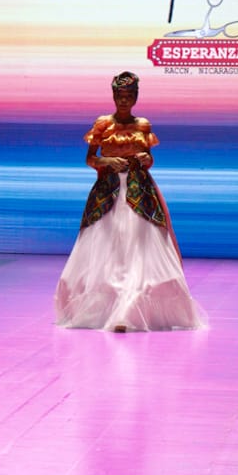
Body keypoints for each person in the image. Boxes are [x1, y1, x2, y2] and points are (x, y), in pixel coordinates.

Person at [54, 71, 205, 332]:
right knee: (106, 244)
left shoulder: (143, 125)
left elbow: (149, 159)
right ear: (114, 97)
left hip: (139, 191)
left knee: (140, 244)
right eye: (120, 96)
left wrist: (146, 160)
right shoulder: (103, 123)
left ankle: (134, 307)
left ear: (135, 98)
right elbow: (90, 159)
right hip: (108, 191)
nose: (124, 101)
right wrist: (106, 161)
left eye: (129, 96)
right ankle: (103, 306)